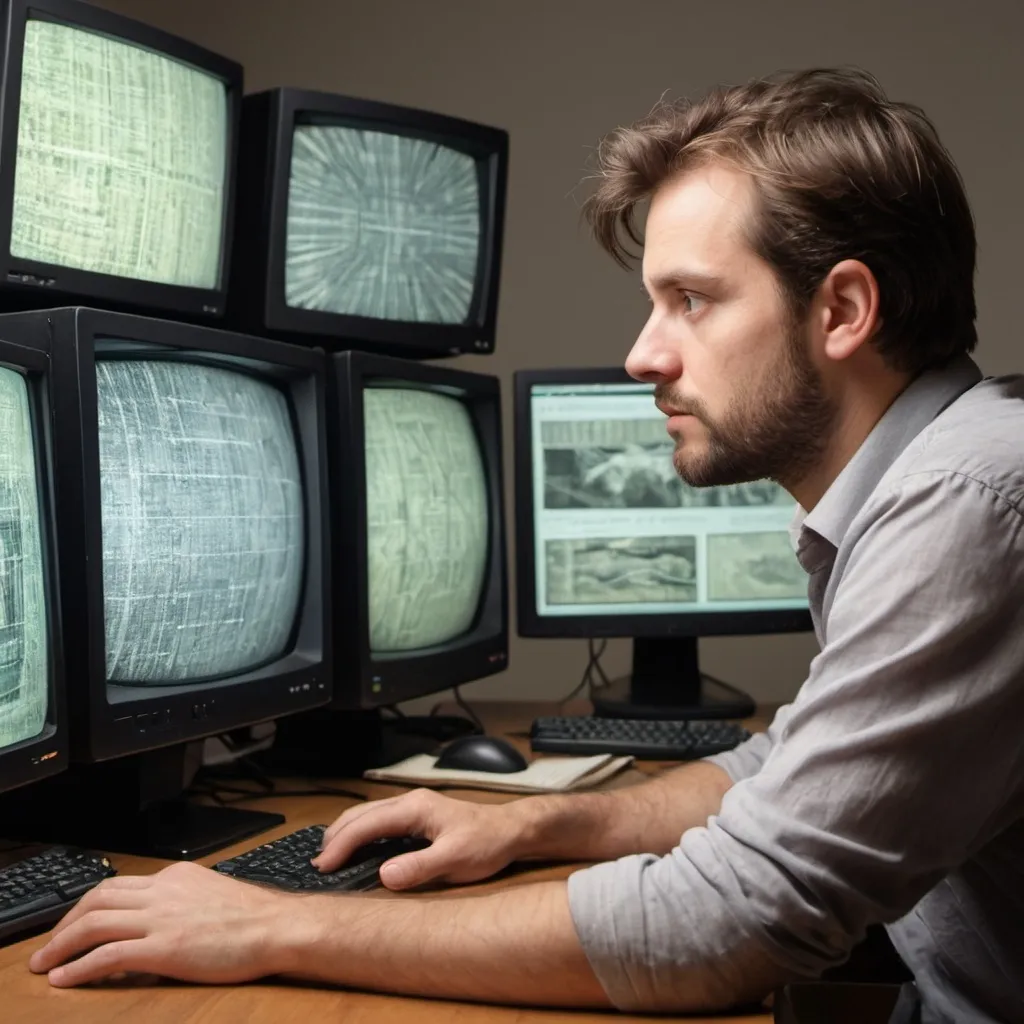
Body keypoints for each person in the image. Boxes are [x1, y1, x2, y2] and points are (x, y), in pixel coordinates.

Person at [29, 68, 1023, 1022]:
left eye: (692, 299)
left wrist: (275, 925)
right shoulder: (936, 479)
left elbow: (733, 921)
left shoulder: (966, 502)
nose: (643, 353)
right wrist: (535, 822)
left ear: (842, 310)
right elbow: (784, 768)